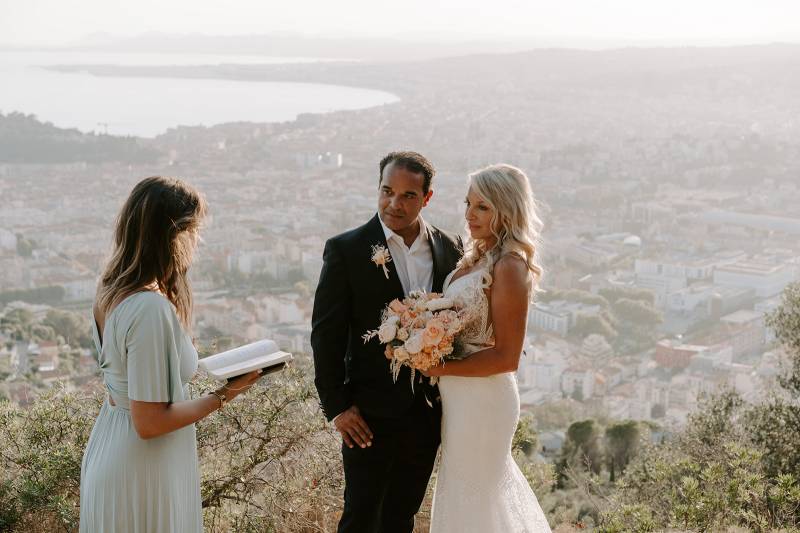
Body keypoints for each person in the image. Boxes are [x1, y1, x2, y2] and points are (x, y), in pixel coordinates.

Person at [79, 176, 263, 532]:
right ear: (173, 237)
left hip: (113, 445)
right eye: (193, 232)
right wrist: (226, 394)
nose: (195, 243)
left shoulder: (110, 288)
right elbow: (150, 423)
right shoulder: (148, 308)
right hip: (141, 465)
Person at [312, 152, 463, 533]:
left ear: (427, 198)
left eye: (408, 195)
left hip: (427, 414)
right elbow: (325, 334)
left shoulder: (450, 248)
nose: (394, 203)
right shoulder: (346, 250)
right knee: (360, 517)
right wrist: (338, 407)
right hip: (368, 415)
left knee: (401, 517)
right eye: (386, 191)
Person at [424, 164, 552, 532]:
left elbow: (507, 357)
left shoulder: (510, 266)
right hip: (459, 400)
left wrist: (439, 367)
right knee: (464, 494)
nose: (469, 214)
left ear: (505, 209)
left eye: (482, 206)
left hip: (484, 402)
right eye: (468, 203)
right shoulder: (476, 257)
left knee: (478, 496)